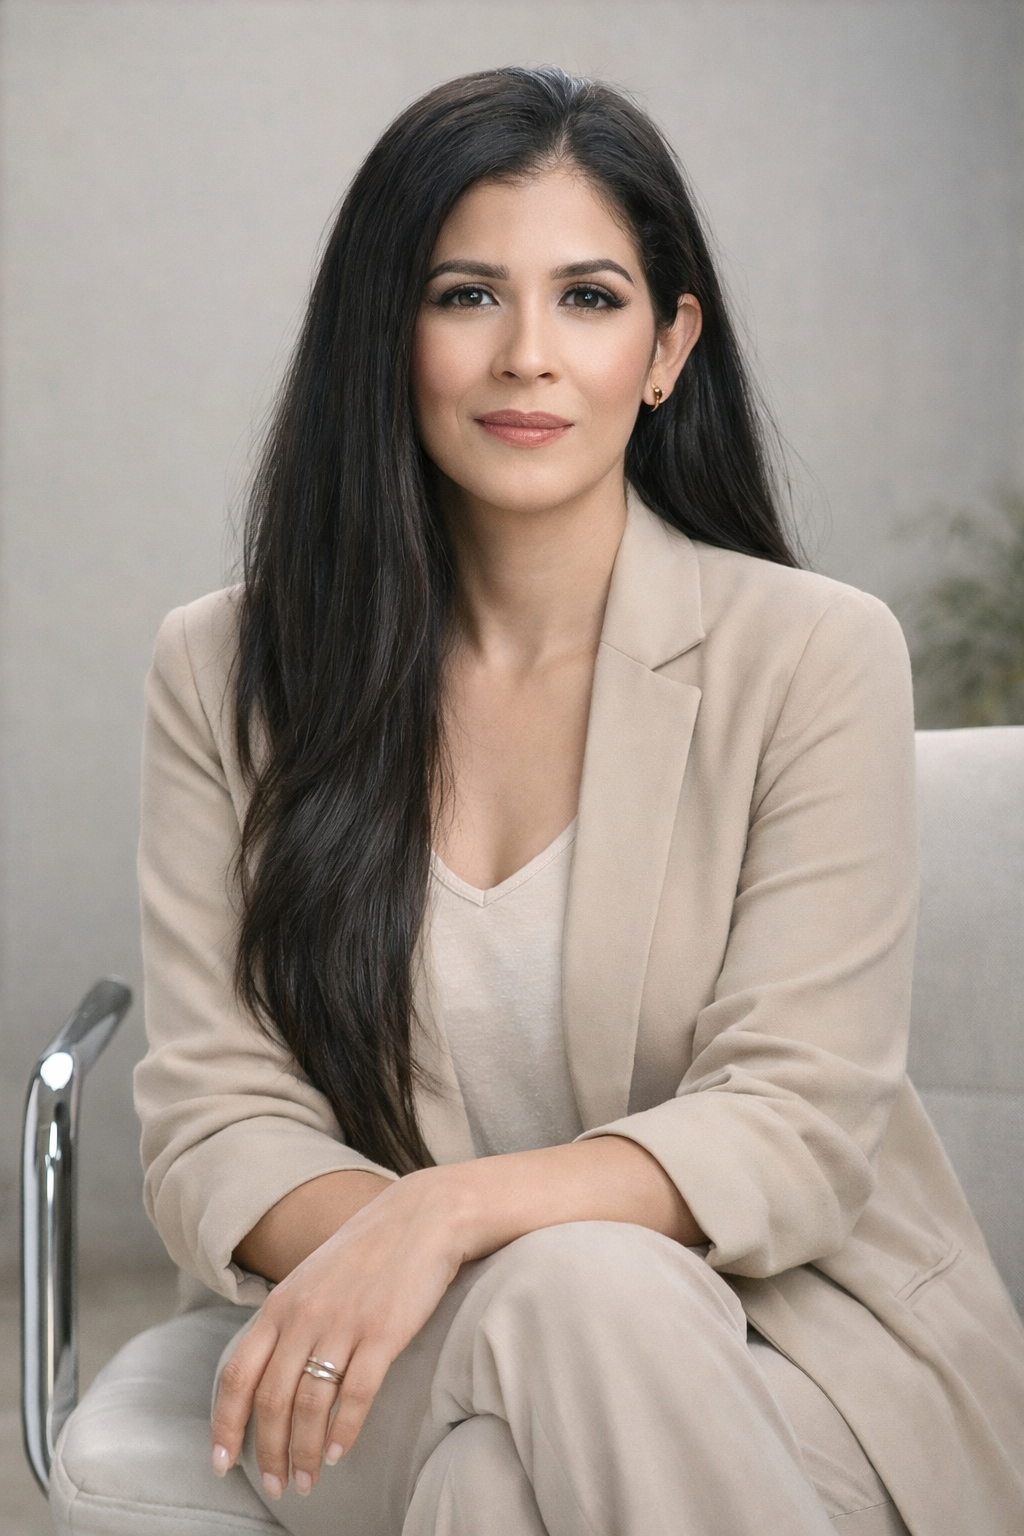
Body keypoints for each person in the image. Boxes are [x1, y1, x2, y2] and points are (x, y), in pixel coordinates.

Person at [134, 67, 1024, 1536]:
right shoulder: (227, 670)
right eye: (468, 295)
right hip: (386, 1352)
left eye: (592, 299)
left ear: (669, 345)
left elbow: (795, 1122)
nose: (529, 355)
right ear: (387, 333)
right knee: (570, 1304)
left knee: (500, 1482)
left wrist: (453, 1211)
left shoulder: (812, 654)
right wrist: (431, 1255)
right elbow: (214, 1122)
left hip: (789, 1347)